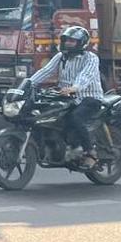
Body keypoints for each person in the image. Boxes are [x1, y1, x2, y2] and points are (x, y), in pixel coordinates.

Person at [29, 25, 105, 163]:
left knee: (75, 118)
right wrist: (28, 83)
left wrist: (74, 88)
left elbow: (85, 76)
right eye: (67, 40)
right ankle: (53, 146)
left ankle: (90, 152)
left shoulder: (91, 58)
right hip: (66, 97)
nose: (68, 43)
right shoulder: (61, 56)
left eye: (72, 41)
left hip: (89, 97)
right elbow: (45, 71)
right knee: (44, 116)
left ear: (81, 43)